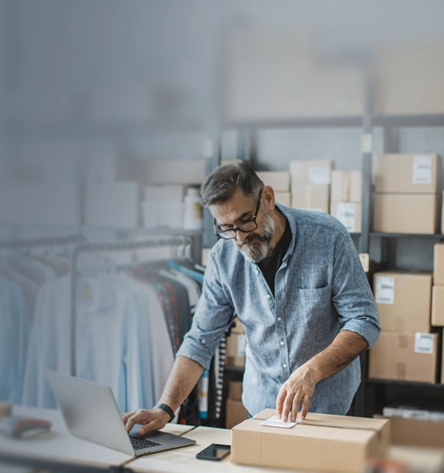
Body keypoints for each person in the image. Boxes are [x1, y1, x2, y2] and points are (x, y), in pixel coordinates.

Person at [122, 161, 380, 431]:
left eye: (245, 220)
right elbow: (200, 340)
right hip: (262, 408)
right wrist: (165, 408)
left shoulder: (328, 237)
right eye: (227, 227)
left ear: (267, 198)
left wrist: (311, 371)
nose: (240, 237)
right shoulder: (223, 258)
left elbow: (364, 320)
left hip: (328, 408)